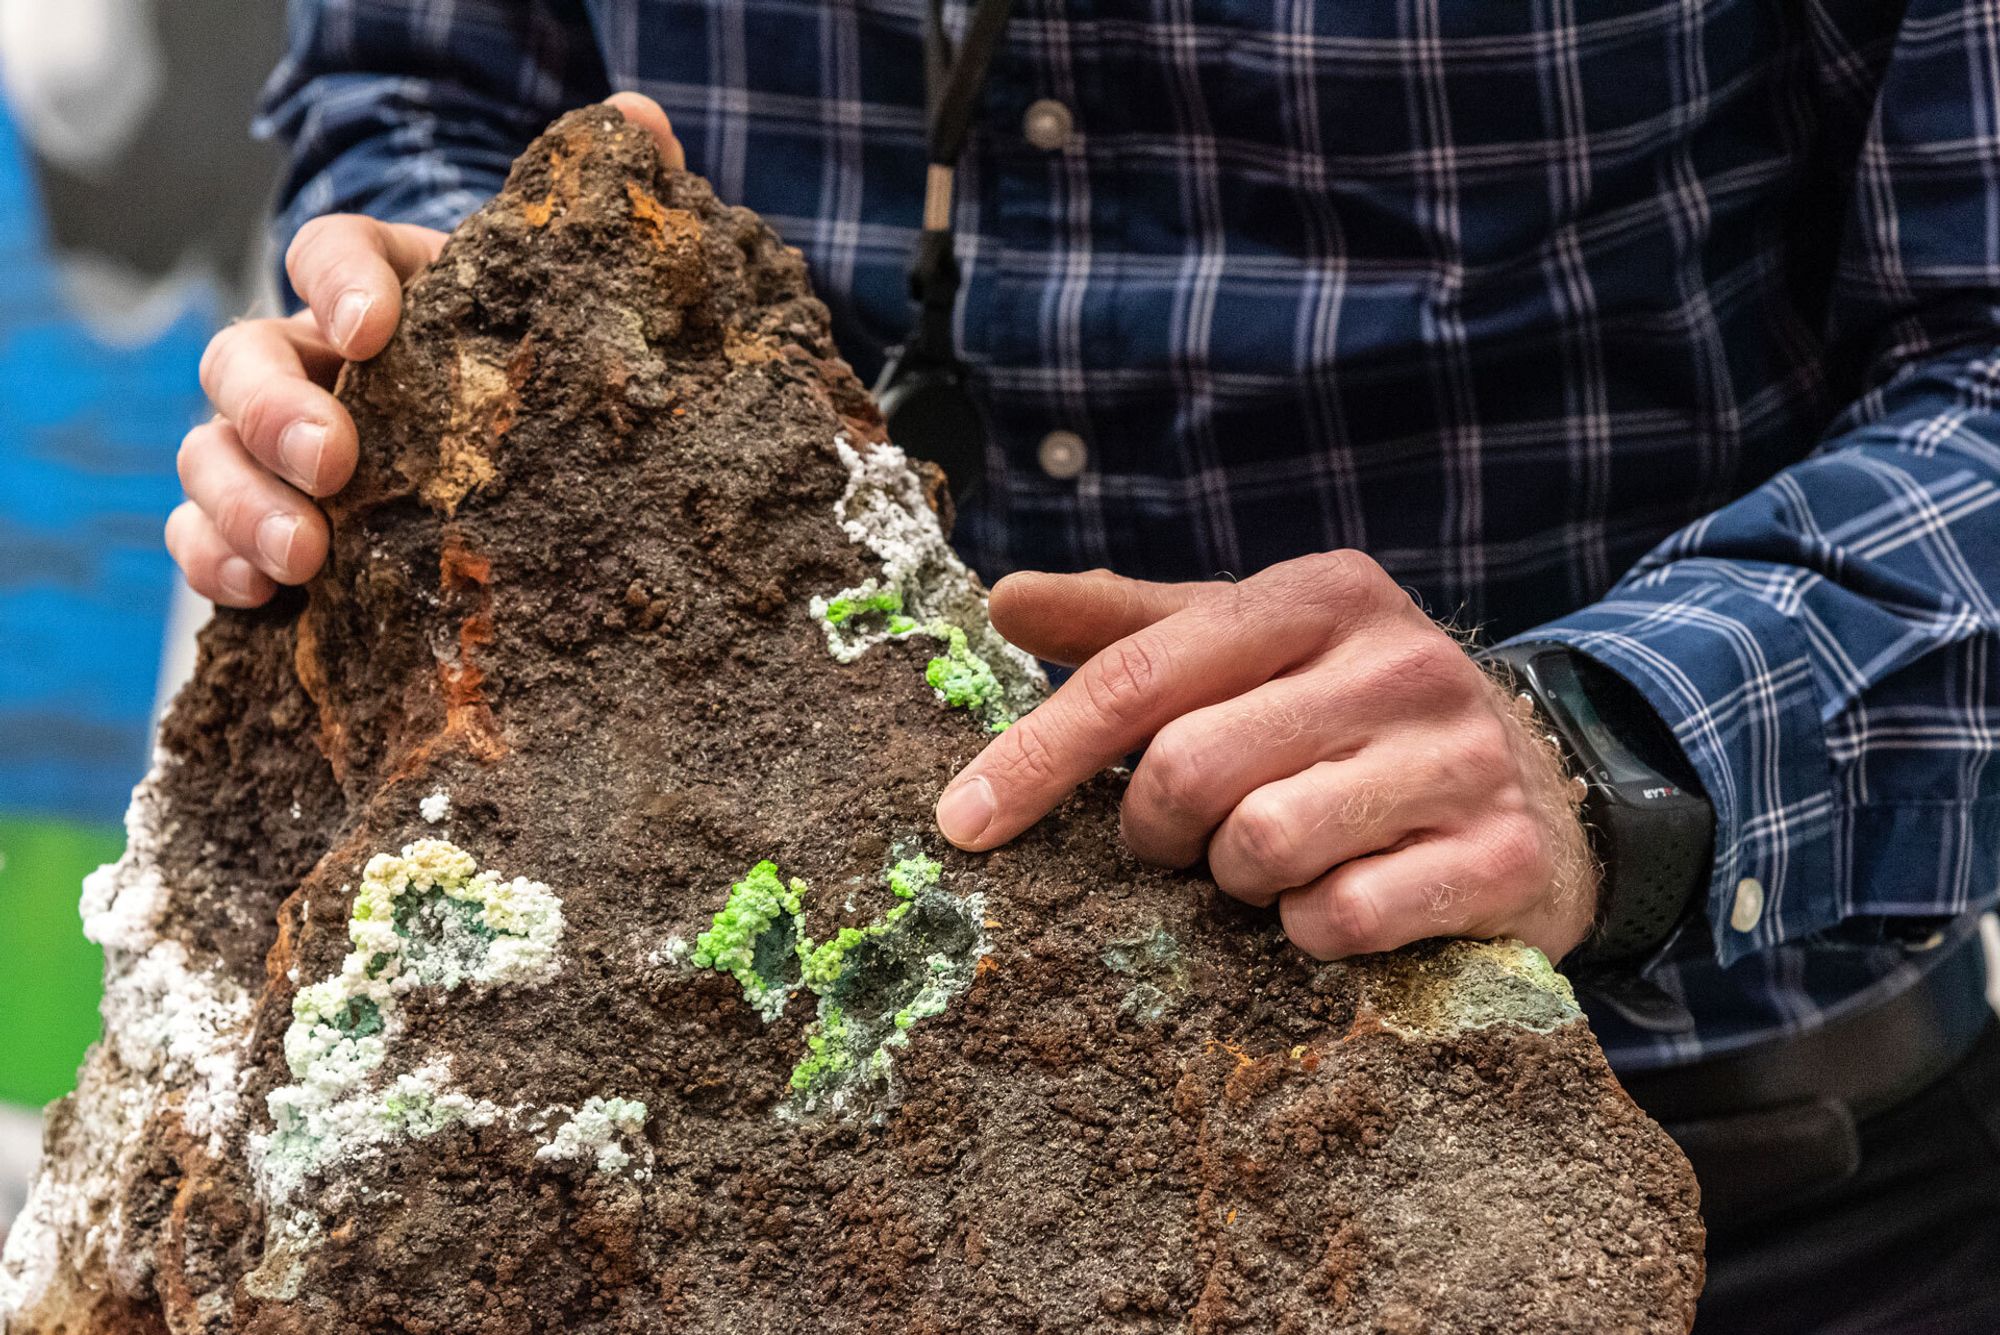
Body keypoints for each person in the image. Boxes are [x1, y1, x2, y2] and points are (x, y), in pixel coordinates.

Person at [172, 4, 2000, 1330]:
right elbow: (416, 77)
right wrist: (442, 332)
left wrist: (1613, 740)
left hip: (1700, 1164)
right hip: (735, 1185)